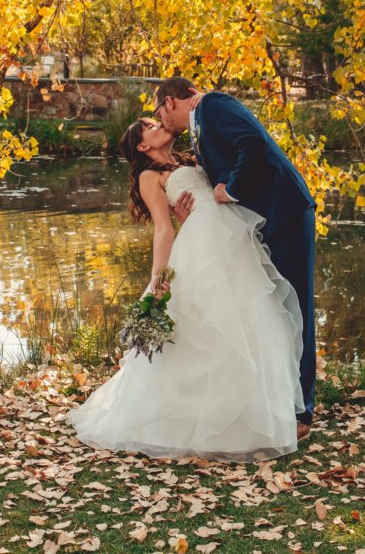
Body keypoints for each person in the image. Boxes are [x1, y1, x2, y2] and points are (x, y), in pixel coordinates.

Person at [66, 117, 305, 462]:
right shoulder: (150, 177)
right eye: (151, 125)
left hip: (231, 244)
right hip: (199, 253)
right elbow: (163, 229)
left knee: (250, 321)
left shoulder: (190, 158)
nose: (160, 123)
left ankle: (250, 420)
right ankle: (191, 422)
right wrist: (159, 279)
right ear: (142, 145)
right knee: (207, 328)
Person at [153, 77, 317, 440]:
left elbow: (251, 143)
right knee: (274, 313)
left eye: (158, 113)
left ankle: (302, 411)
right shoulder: (200, 121)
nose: (160, 122)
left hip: (286, 214)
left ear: (171, 101)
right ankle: (277, 400)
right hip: (263, 223)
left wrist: (233, 189)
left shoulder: (212, 106)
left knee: (297, 309)